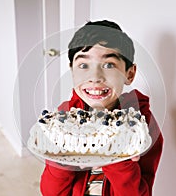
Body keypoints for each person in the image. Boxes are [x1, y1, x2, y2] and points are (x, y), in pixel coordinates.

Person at [40, 20, 163, 196]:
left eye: (109, 65)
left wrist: (118, 158)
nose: (95, 77)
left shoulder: (143, 126)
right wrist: (61, 158)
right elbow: (51, 193)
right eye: (83, 65)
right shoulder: (63, 120)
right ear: (72, 71)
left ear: (130, 73)